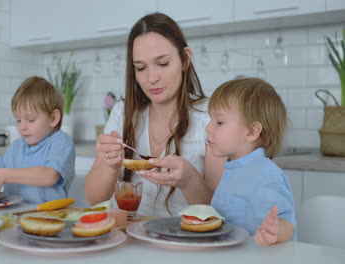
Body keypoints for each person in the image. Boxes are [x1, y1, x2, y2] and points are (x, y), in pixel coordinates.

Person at [85, 12, 226, 217]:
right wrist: (109, 165)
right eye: (140, 68)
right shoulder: (122, 113)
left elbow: (220, 211)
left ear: (185, 59)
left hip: (187, 243)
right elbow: (94, 199)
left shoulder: (211, 117)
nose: (151, 78)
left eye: (162, 64)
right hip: (131, 239)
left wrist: (189, 181)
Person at [0, 76, 75, 204]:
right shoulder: (16, 147)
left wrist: (3, 175)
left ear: (53, 118)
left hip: (50, 217)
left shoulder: (61, 142)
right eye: (18, 120)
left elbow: (49, 176)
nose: (22, 127)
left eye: (31, 120)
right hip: (15, 215)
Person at [206, 78, 296, 245]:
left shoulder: (265, 175)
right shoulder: (235, 168)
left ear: (252, 131)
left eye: (219, 122)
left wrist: (274, 229)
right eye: (210, 120)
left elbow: (288, 225)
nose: (208, 128)